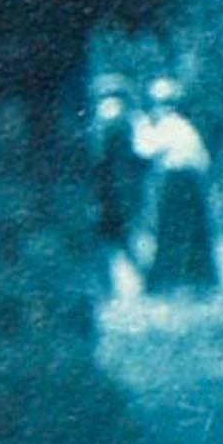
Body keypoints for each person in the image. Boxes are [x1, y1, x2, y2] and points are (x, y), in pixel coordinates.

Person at [135, 76, 218, 295]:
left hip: (176, 182)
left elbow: (145, 149)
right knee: (193, 232)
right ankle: (198, 281)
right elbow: (204, 159)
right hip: (191, 182)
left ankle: (167, 283)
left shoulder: (168, 125)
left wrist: (140, 124)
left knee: (172, 231)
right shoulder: (184, 125)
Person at [89, 74, 146, 286]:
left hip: (112, 183)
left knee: (114, 234)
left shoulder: (109, 117)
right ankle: (133, 279)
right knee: (121, 235)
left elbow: (101, 153)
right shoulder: (129, 118)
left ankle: (109, 284)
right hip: (120, 183)